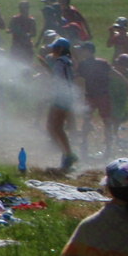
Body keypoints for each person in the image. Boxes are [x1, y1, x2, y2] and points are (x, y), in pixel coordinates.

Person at [77, 43, 128, 159]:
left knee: (103, 120)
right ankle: (87, 145)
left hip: (99, 96)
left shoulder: (96, 63)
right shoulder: (87, 64)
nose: (81, 52)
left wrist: (126, 82)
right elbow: (80, 80)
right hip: (94, 95)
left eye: (83, 50)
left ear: (88, 51)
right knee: (93, 120)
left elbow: (114, 73)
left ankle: (106, 147)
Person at [46, 36, 79, 171]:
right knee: (53, 127)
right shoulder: (66, 61)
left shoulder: (61, 62)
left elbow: (61, 81)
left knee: (55, 127)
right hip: (63, 97)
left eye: (54, 48)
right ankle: (66, 154)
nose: (52, 50)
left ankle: (68, 155)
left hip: (62, 97)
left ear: (60, 49)